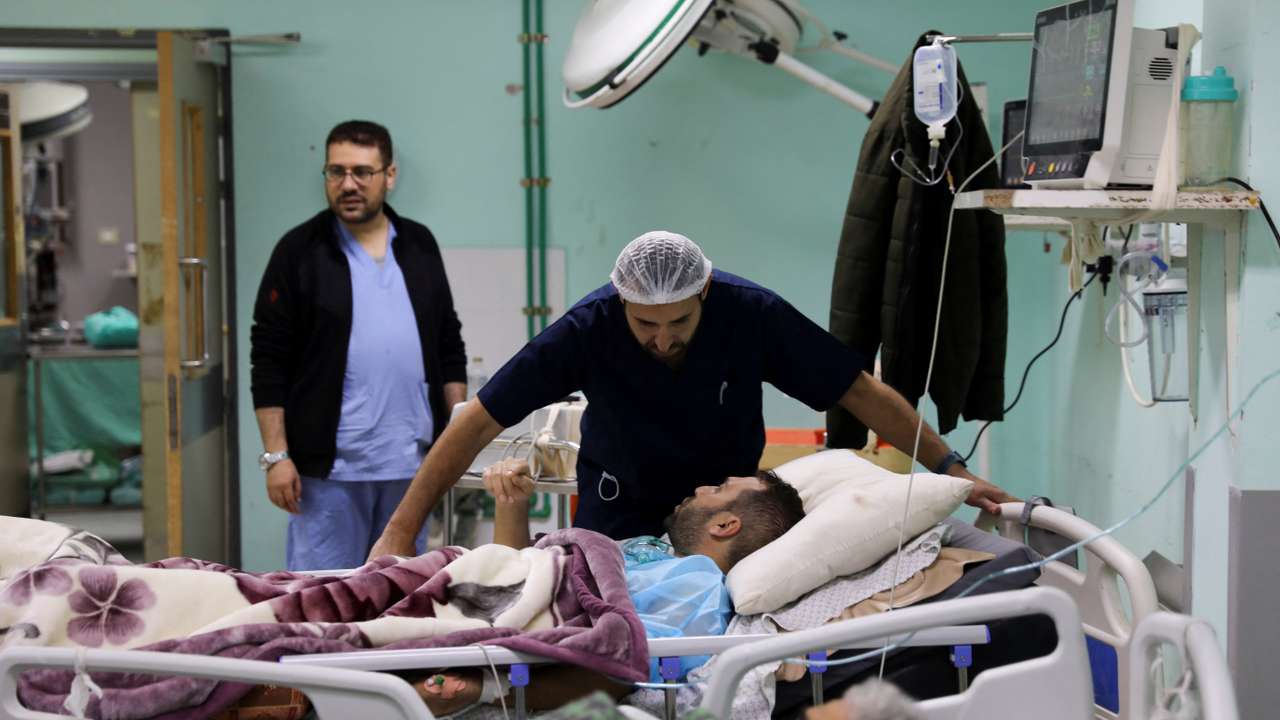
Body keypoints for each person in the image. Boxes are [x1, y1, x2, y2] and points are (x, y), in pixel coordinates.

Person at [370, 230, 1012, 559]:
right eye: (644, 325)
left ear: (705, 292)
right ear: (619, 302)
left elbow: (859, 392)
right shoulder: (587, 330)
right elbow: (476, 421)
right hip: (618, 514)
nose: (662, 339)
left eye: (678, 322)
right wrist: (399, 532)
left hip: (722, 524)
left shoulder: (752, 314)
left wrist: (950, 468)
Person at [411, 458, 807, 716]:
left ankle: (477, 687)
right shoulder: (651, 550)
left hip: (526, 636)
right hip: (488, 598)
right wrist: (510, 504)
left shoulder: (698, 583)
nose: (702, 488)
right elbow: (518, 573)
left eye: (718, 489)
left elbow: (616, 658)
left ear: (724, 525)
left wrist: (483, 686)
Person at [250, 120, 467, 570]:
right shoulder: (298, 251)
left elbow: (449, 342)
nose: (348, 184)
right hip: (329, 472)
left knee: (399, 591)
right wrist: (276, 456)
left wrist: (456, 437)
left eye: (362, 172)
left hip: (410, 465)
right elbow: (268, 358)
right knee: (325, 594)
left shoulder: (419, 245)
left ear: (389, 175)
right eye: (336, 172)